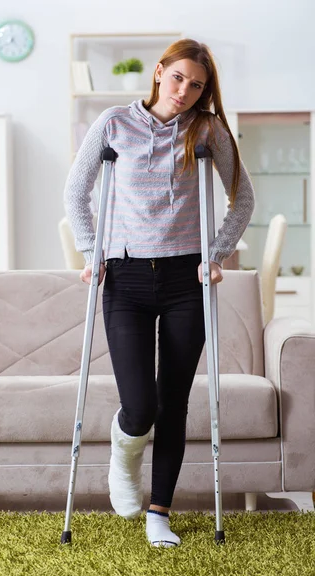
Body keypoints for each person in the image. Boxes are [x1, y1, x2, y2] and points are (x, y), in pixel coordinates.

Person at [64, 38, 254, 547]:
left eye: (197, 85)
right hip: (123, 277)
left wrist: (215, 254)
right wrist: (90, 250)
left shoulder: (207, 129)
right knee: (141, 403)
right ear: (158, 72)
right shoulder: (113, 124)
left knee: (174, 400)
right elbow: (75, 192)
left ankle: (159, 514)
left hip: (183, 280)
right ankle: (124, 457)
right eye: (178, 78)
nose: (185, 91)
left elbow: (242, 201)